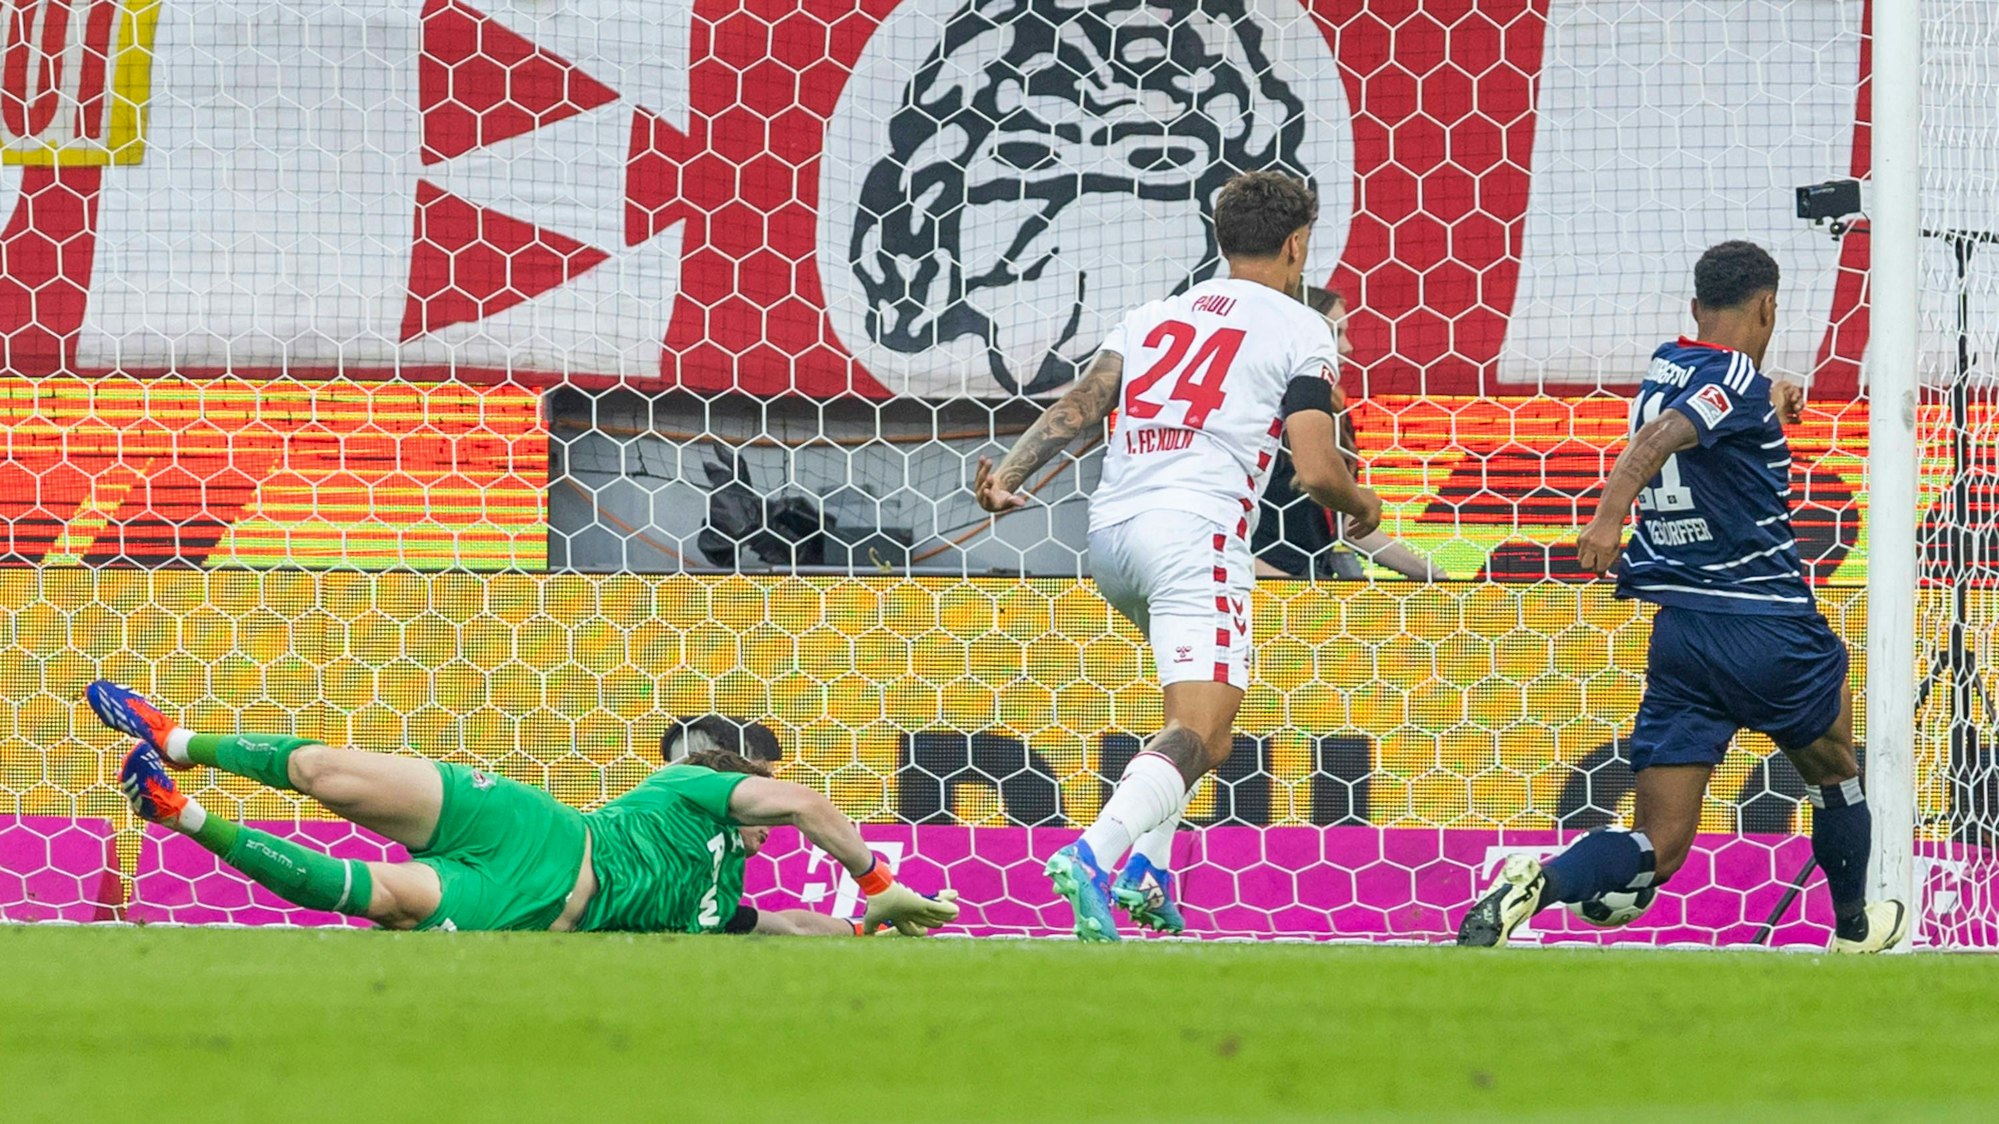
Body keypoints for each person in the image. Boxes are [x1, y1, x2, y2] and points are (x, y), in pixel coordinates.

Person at [1455, 240, 1907, 953]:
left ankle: (1535, 886)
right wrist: (1607, 517)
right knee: (1835, 769)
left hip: (1681, 637)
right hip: (1765, 626)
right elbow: (1667, 435)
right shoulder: (1724, 381)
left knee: (1657, 845)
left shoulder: (1669, 368)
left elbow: (1705, 404)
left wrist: (1772, 390)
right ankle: (1853, 927)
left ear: (1696, 309)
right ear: (1767, 307)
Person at [973, 170, 1383, 940]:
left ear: (1221, 239)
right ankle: (1094, 855)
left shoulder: (1153, 316)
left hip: (1112, 539)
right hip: (1195, 536)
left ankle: (1148, 874)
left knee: (1203, 729)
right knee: (1202, 724)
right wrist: (1365, 507)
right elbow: (1318, 470)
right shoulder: (1302, 330)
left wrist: (1010, 478)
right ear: (1296, 244)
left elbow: (1077, 405)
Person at [89, 680, 958, 936]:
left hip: (534, 909)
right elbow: (805, 801)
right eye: (760, 799)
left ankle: (178, 814)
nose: (775, 820)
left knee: (383, 898)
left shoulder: (723, 905)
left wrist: (863, 928)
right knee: (332, 775)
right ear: (739, 789)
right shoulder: (689, 789)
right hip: (536, 829)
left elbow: (787, 930)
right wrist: (877, 873)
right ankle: (178, 741)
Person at [1253, 286, 1447, 581]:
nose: (1347, 347)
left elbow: (1349, 526)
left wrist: (1431, 573)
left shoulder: (1334, 411)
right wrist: (1283, 589)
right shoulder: (1253, 413)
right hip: (1258, 591)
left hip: (1311, 584)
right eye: (1334, 335)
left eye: (1344, 333)